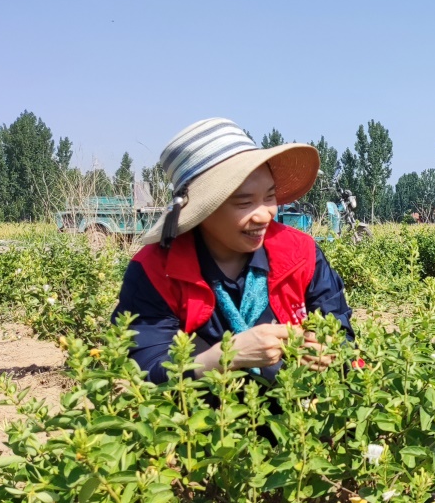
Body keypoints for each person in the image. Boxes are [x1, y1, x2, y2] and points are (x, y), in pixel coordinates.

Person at [113, 118, 354, 383]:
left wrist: (327, 345)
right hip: (199, 414)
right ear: (202, 210)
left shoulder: (300, 252)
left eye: (270, 197)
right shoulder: (156, 269)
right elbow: (146, 367)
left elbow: (338, 323)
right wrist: (226, 356)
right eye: (244, 202)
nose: (264, 215)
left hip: (291, 408)